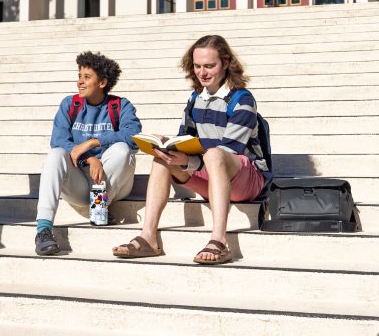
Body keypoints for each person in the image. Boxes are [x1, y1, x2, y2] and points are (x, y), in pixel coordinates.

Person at [112, 35, 268, 265]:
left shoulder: (242, 99)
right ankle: (148, 238)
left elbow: (230, 150)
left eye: (209, 66)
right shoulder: (195, 99)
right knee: (161, 158)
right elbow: (188, 140)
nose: (202, 72)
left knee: (215, 154)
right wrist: (169, 144)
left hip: (246, 179)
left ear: (225, 63)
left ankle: (219, 240)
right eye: (197, 66)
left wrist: (188, 162)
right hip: (211, 177)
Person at [34, 51, 142, 256]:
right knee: (56, 155)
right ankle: (44, 230)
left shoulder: (120, 106)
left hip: (112, 183)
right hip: (80, 183)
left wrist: (94, 141)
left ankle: (99, 208)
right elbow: (58, 141)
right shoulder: (70, 105)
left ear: (102, 82)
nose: (80, 82)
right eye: (79, 76)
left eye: (86, 77)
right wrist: (90, 158)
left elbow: (135, 136)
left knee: (123, 149)